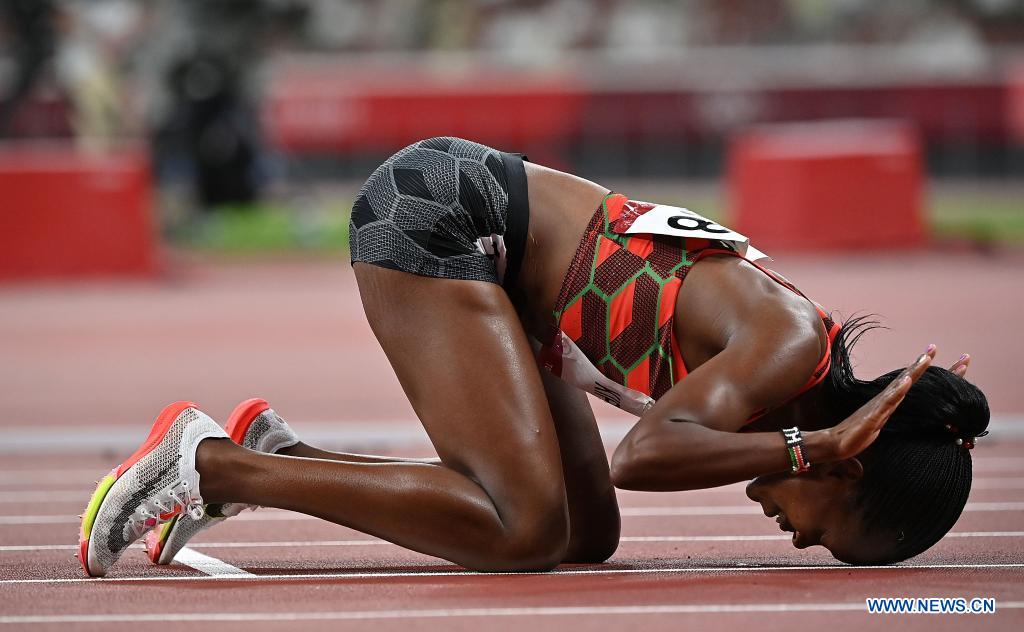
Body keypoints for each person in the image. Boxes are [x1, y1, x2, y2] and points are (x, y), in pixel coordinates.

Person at [78, 137, 989, 577]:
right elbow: (645, 455)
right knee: (520, 530)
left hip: (520, 287)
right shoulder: (789, 351)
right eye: (821, 533)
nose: (796, 539)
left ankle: (279, 456)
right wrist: (804, 448)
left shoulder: (791, 373)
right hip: (443, 215)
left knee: (583, 538)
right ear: (848, 463)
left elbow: (645, 464)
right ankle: (209, 463)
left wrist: (802, 446)